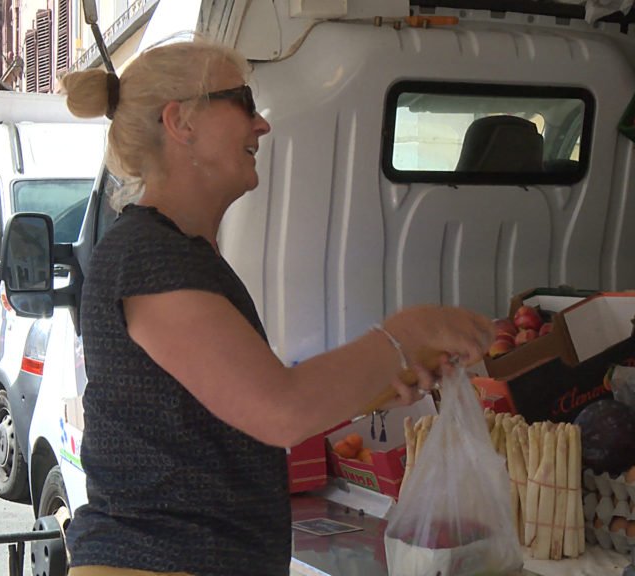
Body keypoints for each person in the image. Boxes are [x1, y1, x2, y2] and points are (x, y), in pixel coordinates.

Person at [61, 39, 494, 576]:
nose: (260, 125)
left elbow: (233, 408)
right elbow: (279, 411)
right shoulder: (148, 254)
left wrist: (380, 380)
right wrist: (406, 333)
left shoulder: (177, 251)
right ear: (181, 123)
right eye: (243, 101)